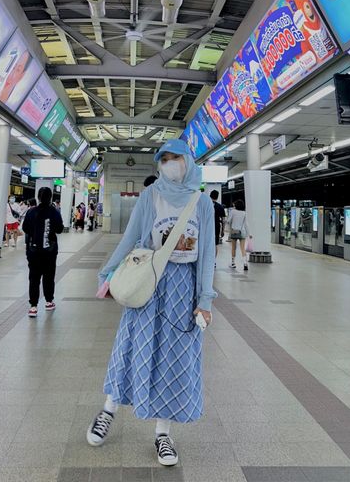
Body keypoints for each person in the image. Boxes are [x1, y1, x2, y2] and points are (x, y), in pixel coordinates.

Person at [87, 139, 216, 467]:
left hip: (183, 290)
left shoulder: (202, 203)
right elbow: (130, 239)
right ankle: (108, 411)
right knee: (131, 348)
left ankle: (163, 433)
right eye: (165, 159)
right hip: (149, 283)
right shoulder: (150, 196)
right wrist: (108, 272)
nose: (171, 164)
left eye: (177, 158)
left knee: (174, 359)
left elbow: (208, 256)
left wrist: (205, 300)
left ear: (188, 162)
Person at [22, 187, 64, 318]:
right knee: (49, 276)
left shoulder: (31, 212)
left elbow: (25, 229)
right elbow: (59, 229)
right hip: (50, 251)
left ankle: (33, 306)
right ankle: (49, 301)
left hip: (33, 251)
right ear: (50, 197)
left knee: (34, 277)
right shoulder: (54, 212)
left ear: (39, 197)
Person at [227, 198, 250, 273]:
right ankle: (245, 263)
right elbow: (246, 224)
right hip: (242, 232)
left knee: (234, 248)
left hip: (234, 231)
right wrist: (248, 234)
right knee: (242, 249)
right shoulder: (244, 213)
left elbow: (228, 221)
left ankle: (233, 263)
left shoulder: (233, 212)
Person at [209, 190, 225, 260]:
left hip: (207, 227)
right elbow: (223, 220)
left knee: (207, 243)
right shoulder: (220, 207)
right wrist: (222, 231)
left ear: (210, 196)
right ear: (217, 197)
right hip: (216, 227)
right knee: (215, 244)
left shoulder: (206, 205)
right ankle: (214, 261)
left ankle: (207, 260)